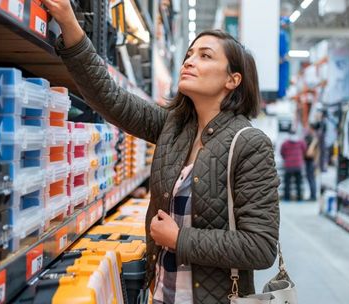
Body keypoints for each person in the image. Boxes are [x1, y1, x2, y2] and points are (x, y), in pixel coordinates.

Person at [41, 1, 280, 302]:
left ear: (233, 80)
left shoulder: (249, 144)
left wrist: (180, 239)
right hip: (162, 295)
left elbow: (260, 246)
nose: (189, 62)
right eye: (189, 54)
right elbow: (111, 98)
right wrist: (67, 21)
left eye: (205, 56)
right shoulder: (175, 128)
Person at [280, 130, 306, 201]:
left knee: (287, 183)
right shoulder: (301, 142)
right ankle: (299, 198)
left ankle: (286, 198)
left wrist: (286, 158)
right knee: (298, 183)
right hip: (298, 165)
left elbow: (282, 152)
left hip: (288, 165)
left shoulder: (285, 143)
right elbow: (304, 150)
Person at [304, 127, 320, 201]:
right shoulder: (309, 138)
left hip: (311, 162)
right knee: (311, 179)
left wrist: (313, 143)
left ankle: (313, 196)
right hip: (309, 162)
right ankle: (312, 195)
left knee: (311, 179)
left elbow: (309, 153)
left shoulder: (314, 140)